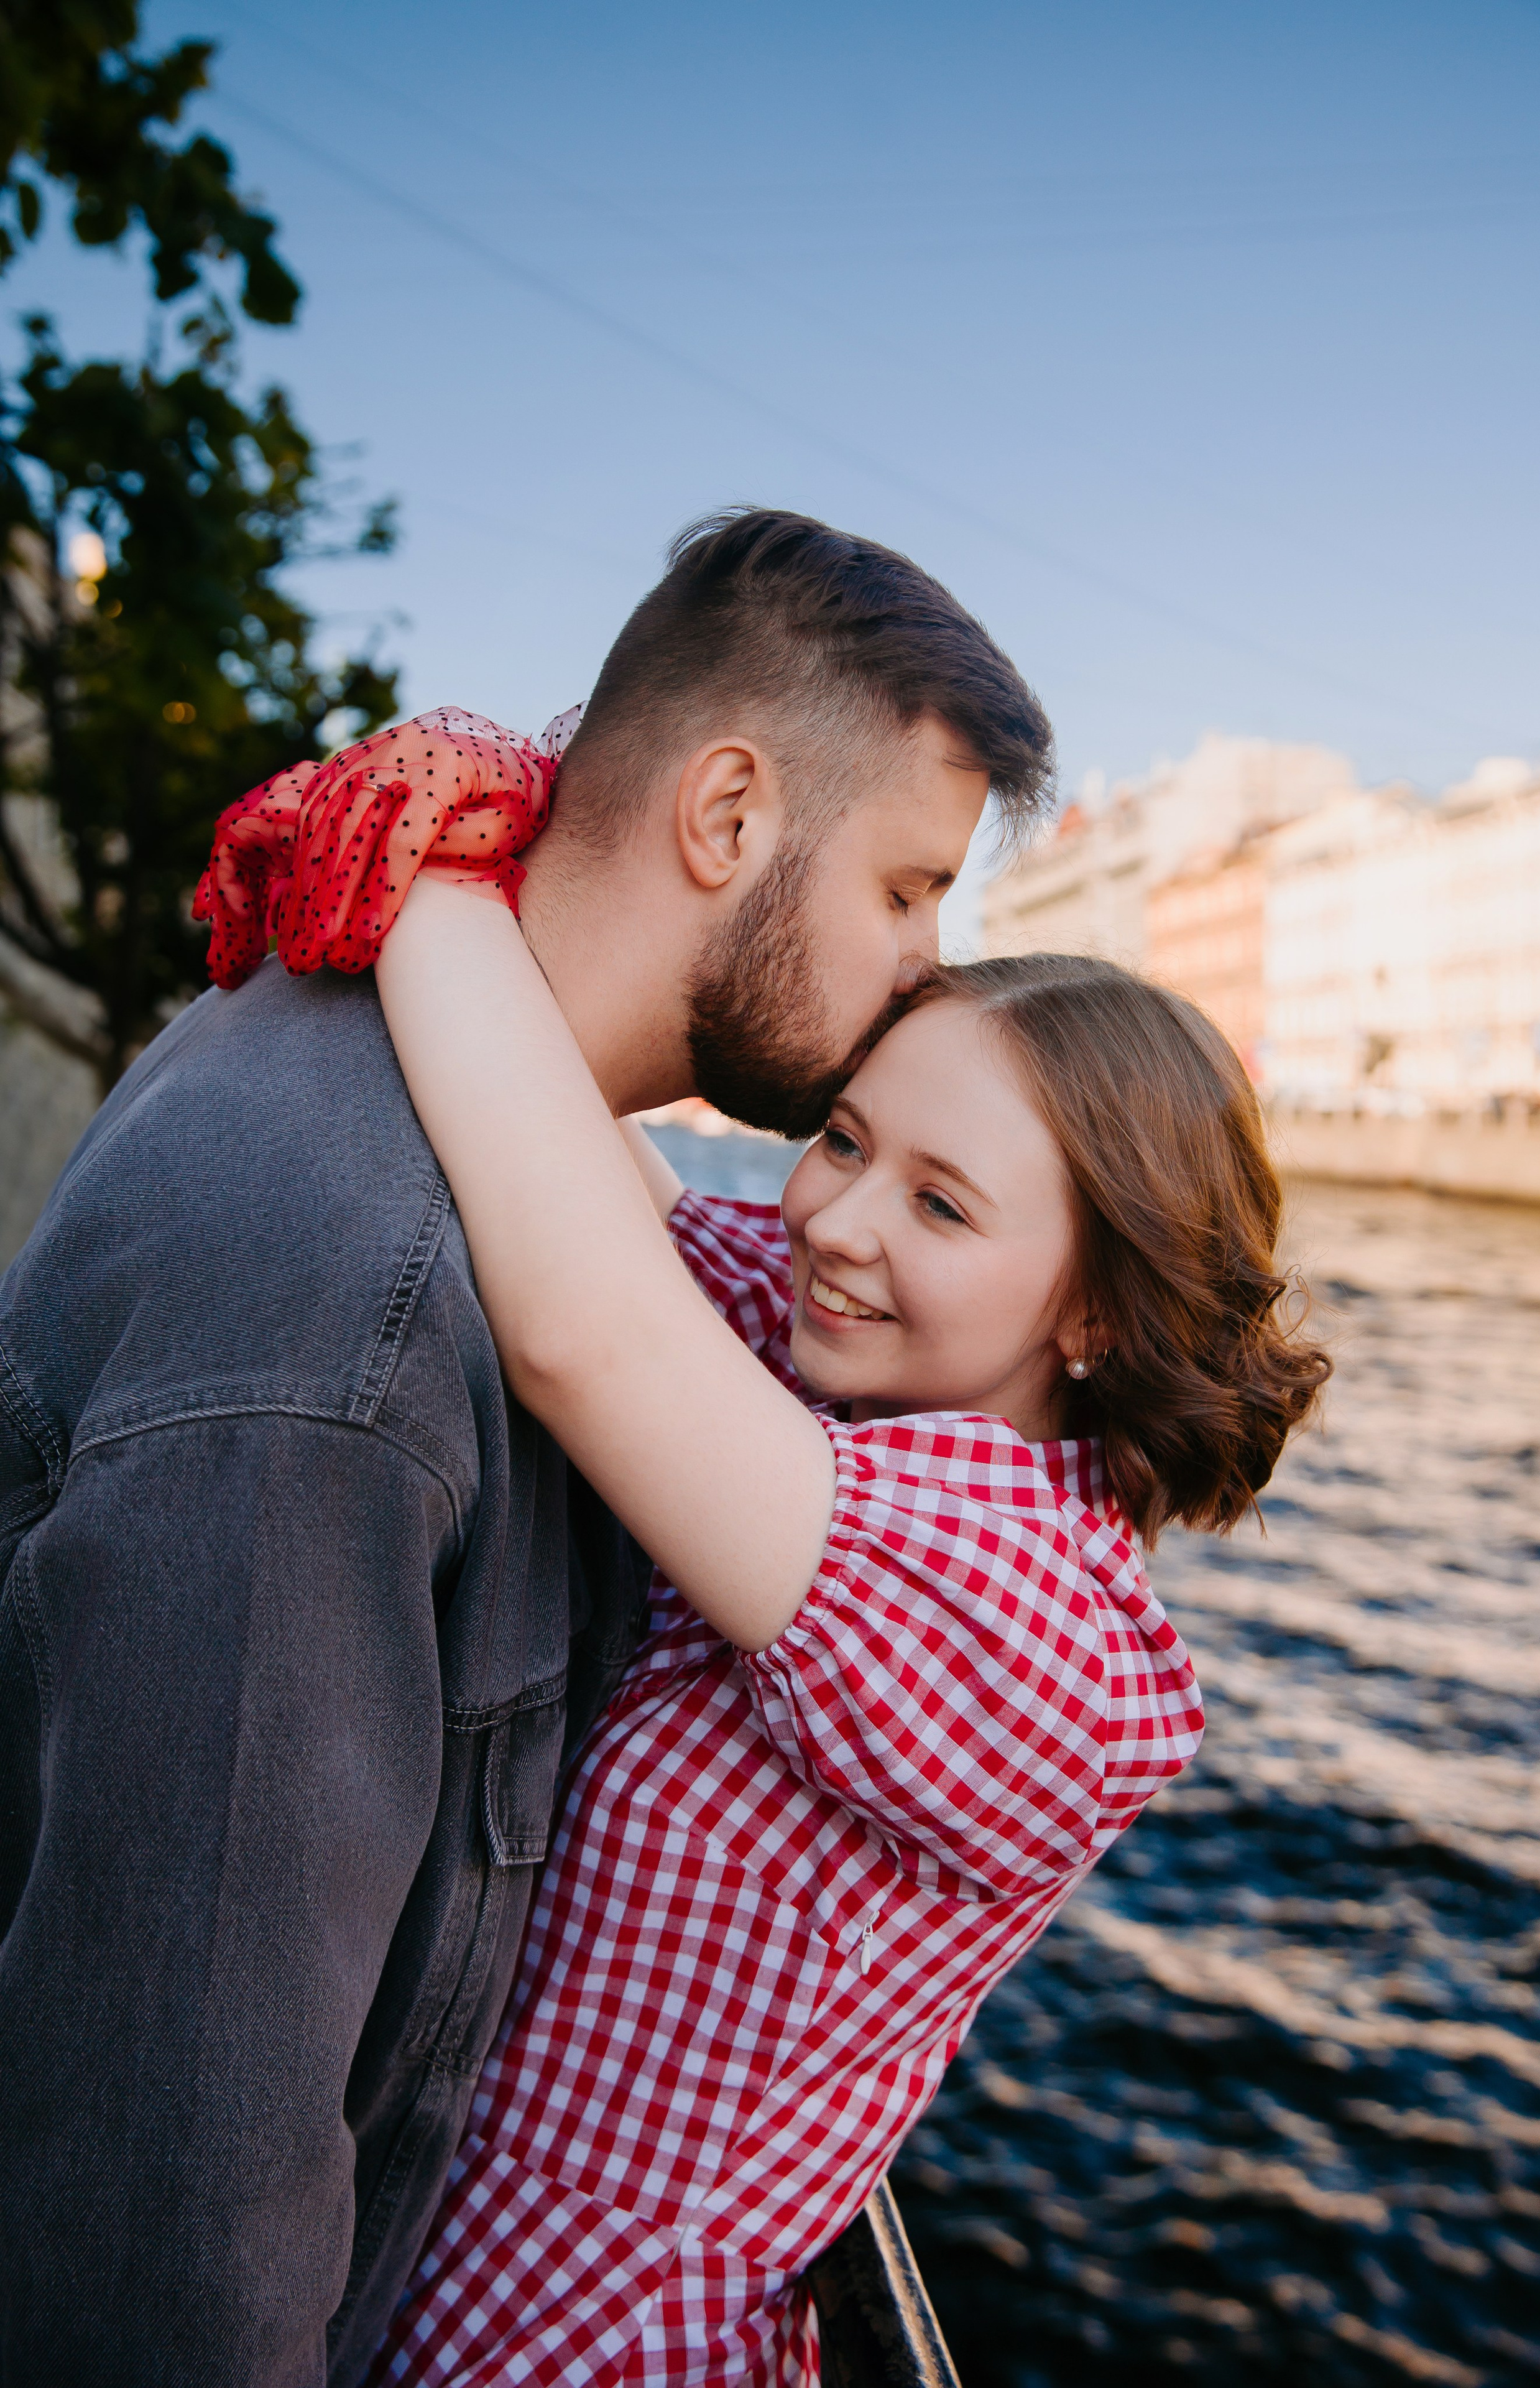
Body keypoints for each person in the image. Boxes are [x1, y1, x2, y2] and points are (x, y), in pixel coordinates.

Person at [0, 509, 1052, 2387]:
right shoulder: (345, 1291)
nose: (923, 964)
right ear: (729, 818)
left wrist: (438, 863)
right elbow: (176, 2203)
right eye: (908, 887)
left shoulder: (436, 1115)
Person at [341, 870, 1332, 2383]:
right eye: (844, 1139)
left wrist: (418, 888)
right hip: (430, 2230)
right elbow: (615, 1195)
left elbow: (578, 1332)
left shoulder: (1025, 1618)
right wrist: (492, 857)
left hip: (579, 2337)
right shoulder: (850, 1366)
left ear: (1095, 1319)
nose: (835, 1220)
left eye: (939, 1200)